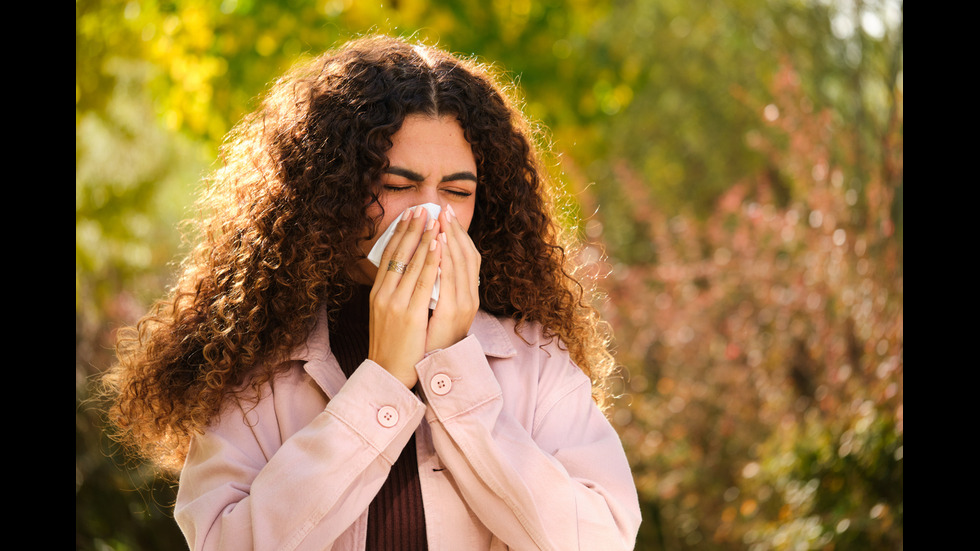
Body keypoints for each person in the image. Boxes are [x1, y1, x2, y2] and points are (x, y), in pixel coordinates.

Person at [103, 34, 641, 550]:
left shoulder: (533, 357)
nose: (430, 215)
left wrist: (455, 371)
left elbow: (603, 538)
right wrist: (381, 381)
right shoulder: (255, 367)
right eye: (398, 186)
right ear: (331, 190)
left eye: (457, 191)